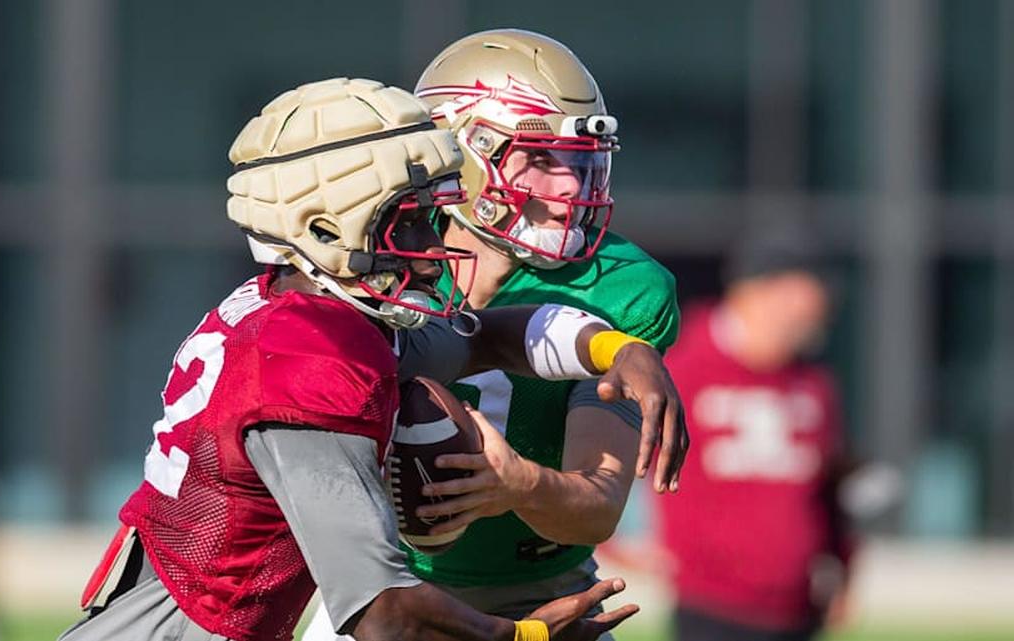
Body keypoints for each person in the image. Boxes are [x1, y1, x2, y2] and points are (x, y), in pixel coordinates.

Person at [58, 77, 680, 641]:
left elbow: (485, 337)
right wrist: (527, 636)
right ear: (329, 229)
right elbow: (382, 613)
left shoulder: (305, 310)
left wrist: (615, 347)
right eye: (410, 224)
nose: (436, 247)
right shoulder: (311, 362)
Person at [302, 29, 686, 641]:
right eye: (541, 158)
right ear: (461, 151)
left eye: (581, 161)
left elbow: (597, 507)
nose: (570, 187)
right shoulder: (375, 262)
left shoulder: (621, 285)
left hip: (547, 592)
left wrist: (516, 485)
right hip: (386, 589)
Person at [650, 225, 857, 641]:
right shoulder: (682, 366)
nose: (819, 312)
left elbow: (830, 488)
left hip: (797, 613)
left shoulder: (812, 383)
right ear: (763, 292)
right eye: (808, 296)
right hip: (711, 611)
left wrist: (843, 566)